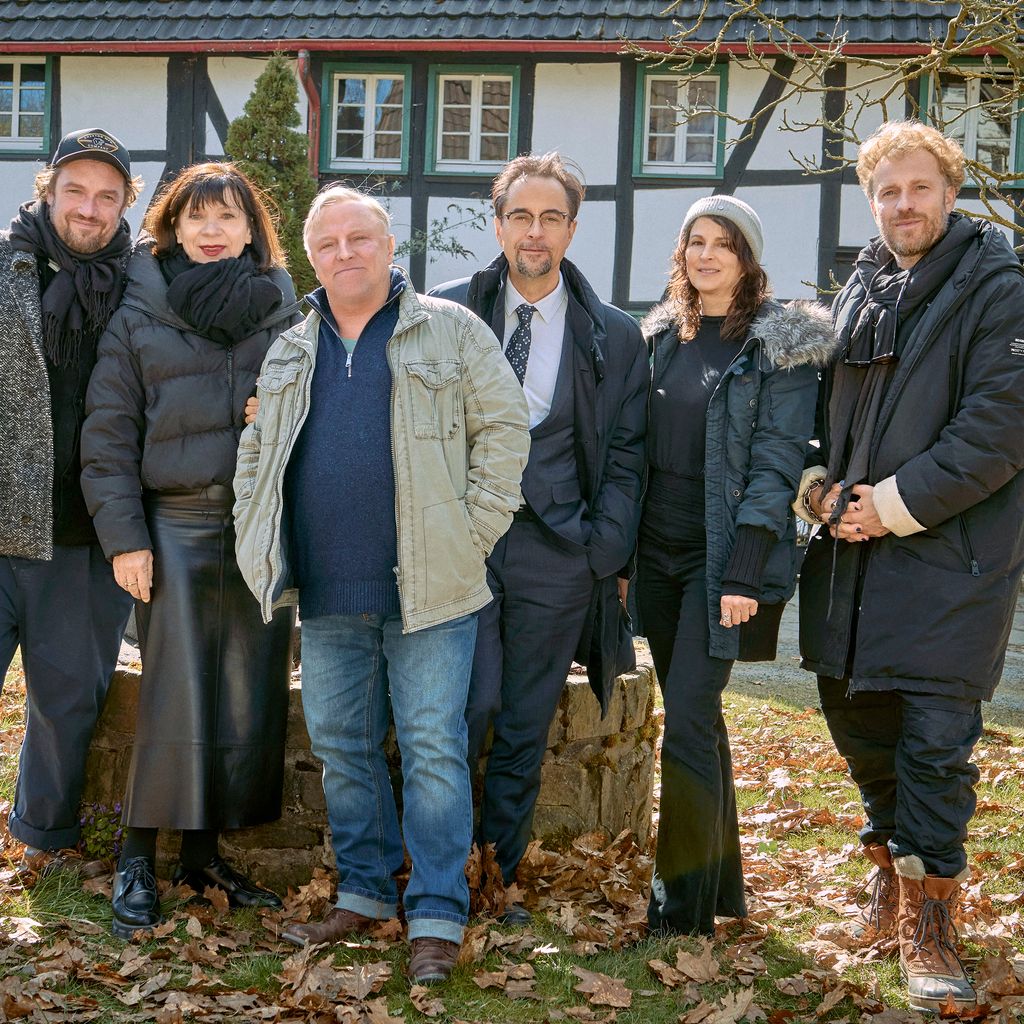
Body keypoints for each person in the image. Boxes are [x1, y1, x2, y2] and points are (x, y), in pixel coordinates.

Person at [232, 185, 529, 984]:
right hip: (327, 588)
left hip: (433, 587)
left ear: (389, 245)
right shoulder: (291, 348)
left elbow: (504, 432)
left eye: (358, 238)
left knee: (434, 749)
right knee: (341, 747)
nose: (344, 254)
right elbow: (257, 453)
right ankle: (364, 892)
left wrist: (471, 537)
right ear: (311, 256)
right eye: (326, 244)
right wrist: (254, 536)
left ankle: (436, 912)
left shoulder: (451, 329)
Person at [794, 121, 1024, 1012]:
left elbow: (997, 430)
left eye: (919, 188)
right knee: (858, 725)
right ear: (870, 198)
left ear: (950, 191)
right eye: (886, 191)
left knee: (934, 745)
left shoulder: (998, 288)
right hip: (849, 560)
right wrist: (818, 490)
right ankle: (892, 880)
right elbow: (816, 409)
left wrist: (884, 506)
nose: (903, 205)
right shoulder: (860, 289)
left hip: (950, 560)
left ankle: (932, 923)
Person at [80, 162, 301, 938]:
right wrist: (124, 541)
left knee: (243, 696)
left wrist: (269, 414)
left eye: (228, 217)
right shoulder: (139, 309)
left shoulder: (282, 310)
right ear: (172, 227)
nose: (212, 231)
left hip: (255, 532)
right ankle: (138, 858)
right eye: (196, 217)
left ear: (251, 230)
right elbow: (107, 434)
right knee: (175, 695)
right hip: (170, 526)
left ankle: (202, 858)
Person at [430, 152, 648, 923]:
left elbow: (627, 453)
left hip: (560, 555)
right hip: (462, 547)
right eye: (520, 215)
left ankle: (499, 872)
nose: (534, 231)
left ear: (572, 229)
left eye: (551, 216)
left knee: (523, 722)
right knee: (465, 709)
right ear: (498, 224)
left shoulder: (615, 336)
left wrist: (601, 550)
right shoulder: (447, 313)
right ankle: (441, 873)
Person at [631, 196, 835, 936]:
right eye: (695, 241)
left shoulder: (779, 345)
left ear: (748, 259)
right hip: (656, 555)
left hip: (722, 560)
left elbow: (780, 460)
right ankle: (722, 893)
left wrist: (746, 567)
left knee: (686, 719)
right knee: (700, 721)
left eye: (725, 244)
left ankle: (677, 912)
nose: (707, 255)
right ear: (681, 254)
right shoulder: (659, 337)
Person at [1, 129, 140, 879]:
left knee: (66, 704)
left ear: (126, 204)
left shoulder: (144, 282)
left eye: (107, 196)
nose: (89, 209)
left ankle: (44, 841)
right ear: (48, 190)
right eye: (75, 191)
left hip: (86, 534)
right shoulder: (4, 262)